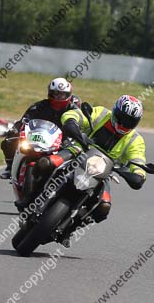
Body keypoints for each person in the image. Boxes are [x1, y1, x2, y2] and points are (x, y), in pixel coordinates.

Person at [33, 95, 147, 225]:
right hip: (78, 151)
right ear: (115, 111)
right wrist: (71, 121)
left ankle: (73, 225)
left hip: (103, 171)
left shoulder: (135, 140)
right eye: (122, 118)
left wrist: (139, 175)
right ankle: (31, 198)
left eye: (130, 121)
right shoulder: (101, 113)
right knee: (47, 163)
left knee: (104, 206)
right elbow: (75, 114)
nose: (124, 124)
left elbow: (138, 160)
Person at [0, 78, 81, 179]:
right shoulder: (40, 106)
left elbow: (81, 126)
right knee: (8, 141)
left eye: (62, 94)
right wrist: (16, 129)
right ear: (50, 93)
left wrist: (76, 138)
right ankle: (10, 167)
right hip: (40, 138)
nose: (58, 97)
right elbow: (25, 119)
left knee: (78, 154)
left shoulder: (74, 109)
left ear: (68, 95)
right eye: (55, 93)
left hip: (63, 141)